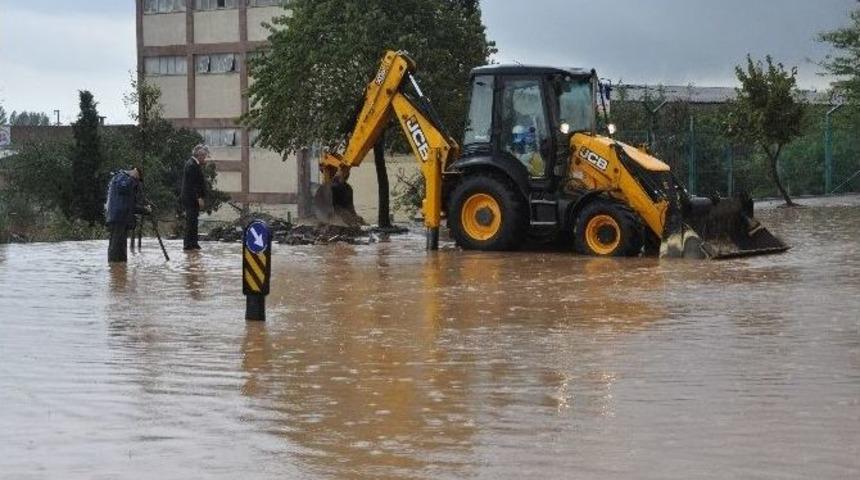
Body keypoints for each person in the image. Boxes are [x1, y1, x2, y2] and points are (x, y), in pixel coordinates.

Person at [105, 167, 149, 263]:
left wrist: (145, 210)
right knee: (115, 247)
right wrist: (133, 179)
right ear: (135, 172)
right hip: (117, 217)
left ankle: (120, 271)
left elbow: (131, 206)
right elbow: (122, 188)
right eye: (138, 179)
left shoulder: (128, 183)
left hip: (122, 218)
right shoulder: (121, 177)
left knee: (121, 249)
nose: (137, 182)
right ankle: (114, 270)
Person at [181, 144, 209, 251]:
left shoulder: (194, 164)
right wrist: (199, 198)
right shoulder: (191, 165)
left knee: (193, 221)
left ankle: (193, 243)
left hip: (192, 198)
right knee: (191, 221)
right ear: (199, 155)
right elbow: (193, 184)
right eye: (204, 156)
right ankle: (188, 244)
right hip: (191, 198)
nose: (205, 159)